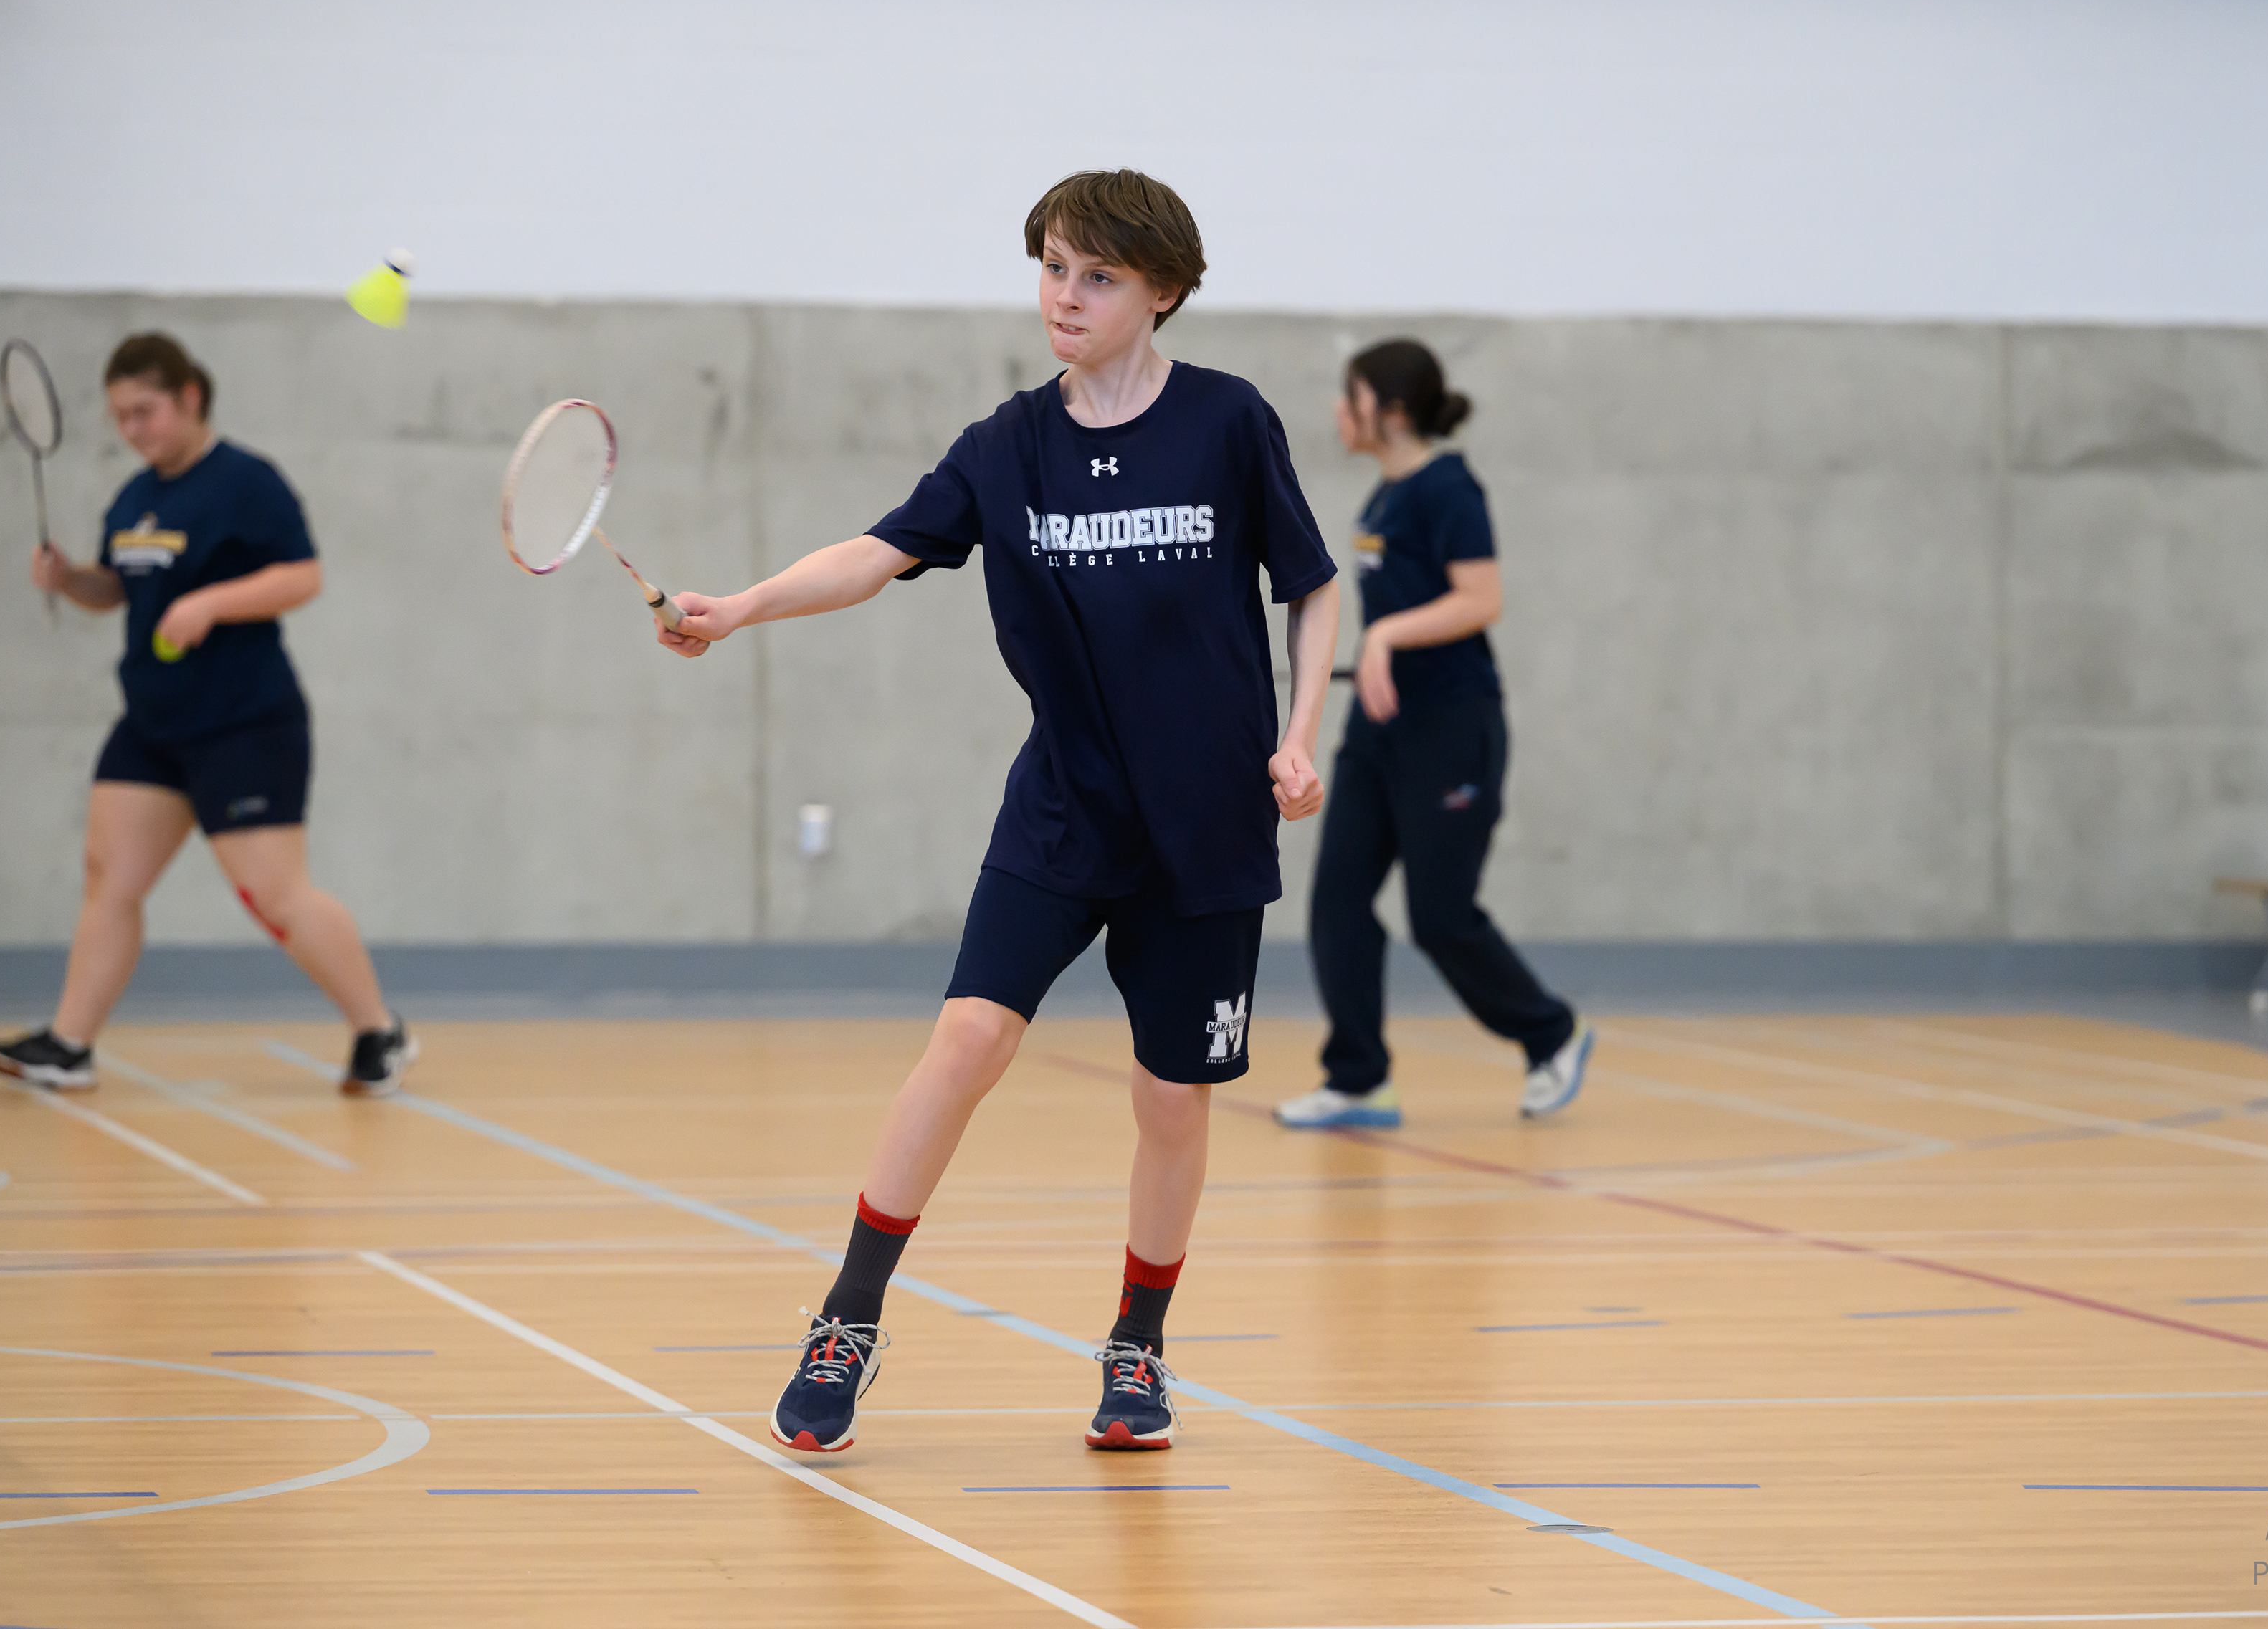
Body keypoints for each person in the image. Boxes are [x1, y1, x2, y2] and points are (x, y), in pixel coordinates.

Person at [659, 170, 1340, 1453]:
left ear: (1164, 293)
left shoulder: (1228, 423)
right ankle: (847, 1318)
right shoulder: (1009, 446)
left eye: (1099, 277)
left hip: (1206, 824)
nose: (1065, 297)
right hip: (1064, 809)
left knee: (1172, 1100)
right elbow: (876, 553)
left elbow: (1311, 585)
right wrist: (743, 606)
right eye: (1053, 269)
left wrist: (1300, 734)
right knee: (968, 1038)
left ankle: (1137, 1349)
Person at [0, 333, 416, 1097]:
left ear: (190, 398)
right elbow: (119, 588)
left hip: (244, 722)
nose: (132, 430)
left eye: (144, 412)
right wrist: (70, 579)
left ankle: (379, 1029)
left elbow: (303, 576)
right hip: (153, 724)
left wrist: (211, 603)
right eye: (120, 417)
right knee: (110, 877)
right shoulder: (134, 498)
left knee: (274, 894)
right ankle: (70, 1045)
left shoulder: (247, 482)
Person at [1274, 340, 1589, 1131]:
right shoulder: (1384, 497)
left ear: (1392, 412)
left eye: (1352, 397)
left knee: (1441, 915)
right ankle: (1358, 1077)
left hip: (1450, 728)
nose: (1339, 411)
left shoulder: (1449, 487)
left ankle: (1550, 1033)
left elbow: (1481, 599)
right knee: (1337, 901)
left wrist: (1384, 637)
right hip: (1378, 732)